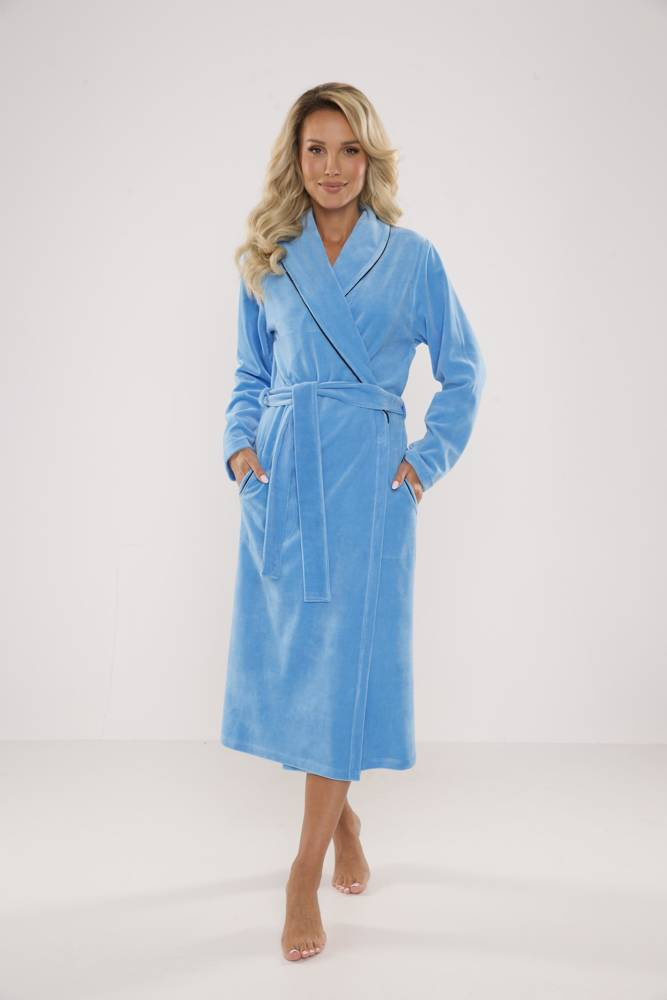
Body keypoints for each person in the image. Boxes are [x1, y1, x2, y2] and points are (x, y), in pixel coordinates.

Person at [221, 82, 487, 961]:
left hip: (370, 490)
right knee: (302, 671)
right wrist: (240, 453)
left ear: (369, 159)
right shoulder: (268, 257)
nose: (331, 168)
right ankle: (344, 824)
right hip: (285, 481)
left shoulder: (411, 259)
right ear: (294, 159)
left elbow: (464, 371)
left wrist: (422, 463)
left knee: (341, 673)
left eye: (347, 150)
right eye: (315, 149)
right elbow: (249, 375)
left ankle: (300, 872)